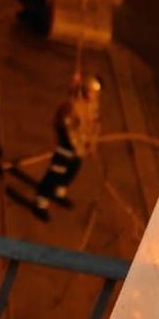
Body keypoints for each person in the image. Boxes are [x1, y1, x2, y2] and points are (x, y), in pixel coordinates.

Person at [32, 74, 102, 218]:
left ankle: (59, 192)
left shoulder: (93, 105)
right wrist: (77, 145)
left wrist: (92, 144)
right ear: (85, 90)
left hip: (80, 147)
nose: (94, 95)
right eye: (92, 92)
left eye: (96, 93)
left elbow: (95, 125)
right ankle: (40, 203)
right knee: (54, 174)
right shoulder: (72, 106)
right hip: (66, 145)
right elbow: (68, 129)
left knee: (72, 170)